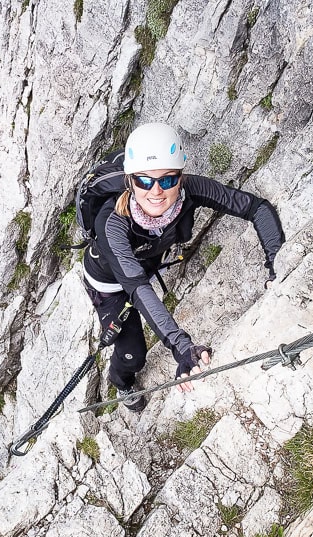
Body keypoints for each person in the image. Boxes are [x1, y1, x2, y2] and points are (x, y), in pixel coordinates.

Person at [82, 122, 285, 412]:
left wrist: (277, 260)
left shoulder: (191, 189)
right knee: (133, 355)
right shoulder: (111, 222)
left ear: (180, 177)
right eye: (143, 180)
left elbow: (255, 208)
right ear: (129, 181)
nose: (156, 191)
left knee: (136, 334)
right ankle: (121, 379)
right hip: (109, 284)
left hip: (143, 268)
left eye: (166, 180)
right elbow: (137, 288)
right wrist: (181, 347)